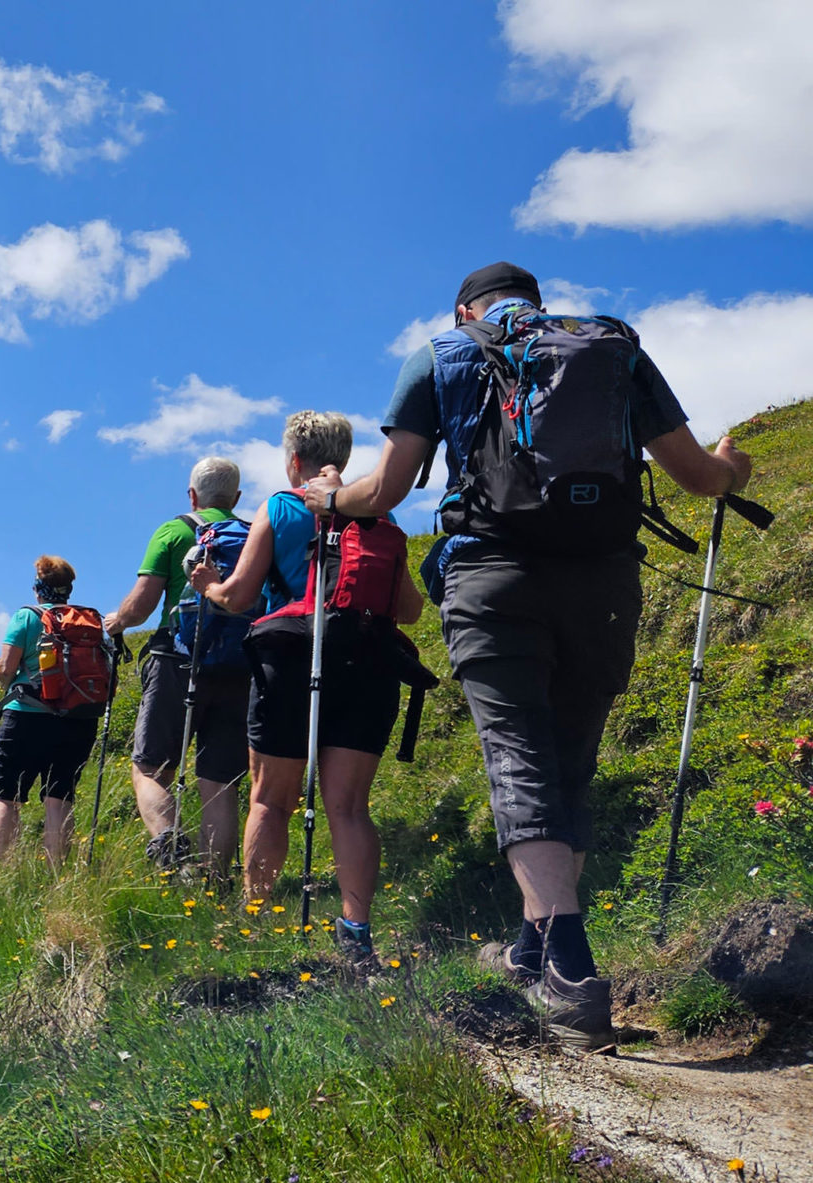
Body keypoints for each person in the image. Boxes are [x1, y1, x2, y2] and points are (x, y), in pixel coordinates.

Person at [308, 261, 754, 1049]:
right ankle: (531, 948)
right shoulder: (611, 349)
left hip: (494, 578)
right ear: (536, 305)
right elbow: (697, 475)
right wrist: (732, 468)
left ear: (464, 306)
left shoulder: (445, 352)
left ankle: (572, 975)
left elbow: (385, 494)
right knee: (568, 759)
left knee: (519, 756)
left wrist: (328, 498)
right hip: (604, 582)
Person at [189, 411, 424, 969]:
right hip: (367, 659)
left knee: (271, 801)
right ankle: (356, 933)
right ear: (341, 459)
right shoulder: (376, 510)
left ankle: (257, 923)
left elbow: (243, 596)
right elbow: (410, 610)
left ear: (294, 460)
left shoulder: (281, 506)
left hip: (291, 655)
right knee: (348, 806)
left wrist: (209, 588)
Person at [100, 456, 251, 876]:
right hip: (238, 667)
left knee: (150, 769)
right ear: (235, 497)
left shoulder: (175, 530)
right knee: (219, 782)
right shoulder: (253, 536)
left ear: (192, 495)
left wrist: (117, 621)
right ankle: (215, 884)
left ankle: (171, 851)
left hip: (177, 660)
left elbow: (143, 604)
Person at [0, 557, 104, 867]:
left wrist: (7, 678)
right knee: (59, 796)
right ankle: (58, 876)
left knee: (8, 795)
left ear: (39, 588)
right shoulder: (89, 621)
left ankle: (4, 874)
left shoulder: (25, 617)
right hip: (79, 718)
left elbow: (5, 670)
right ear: (68, 589)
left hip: (26, 715)